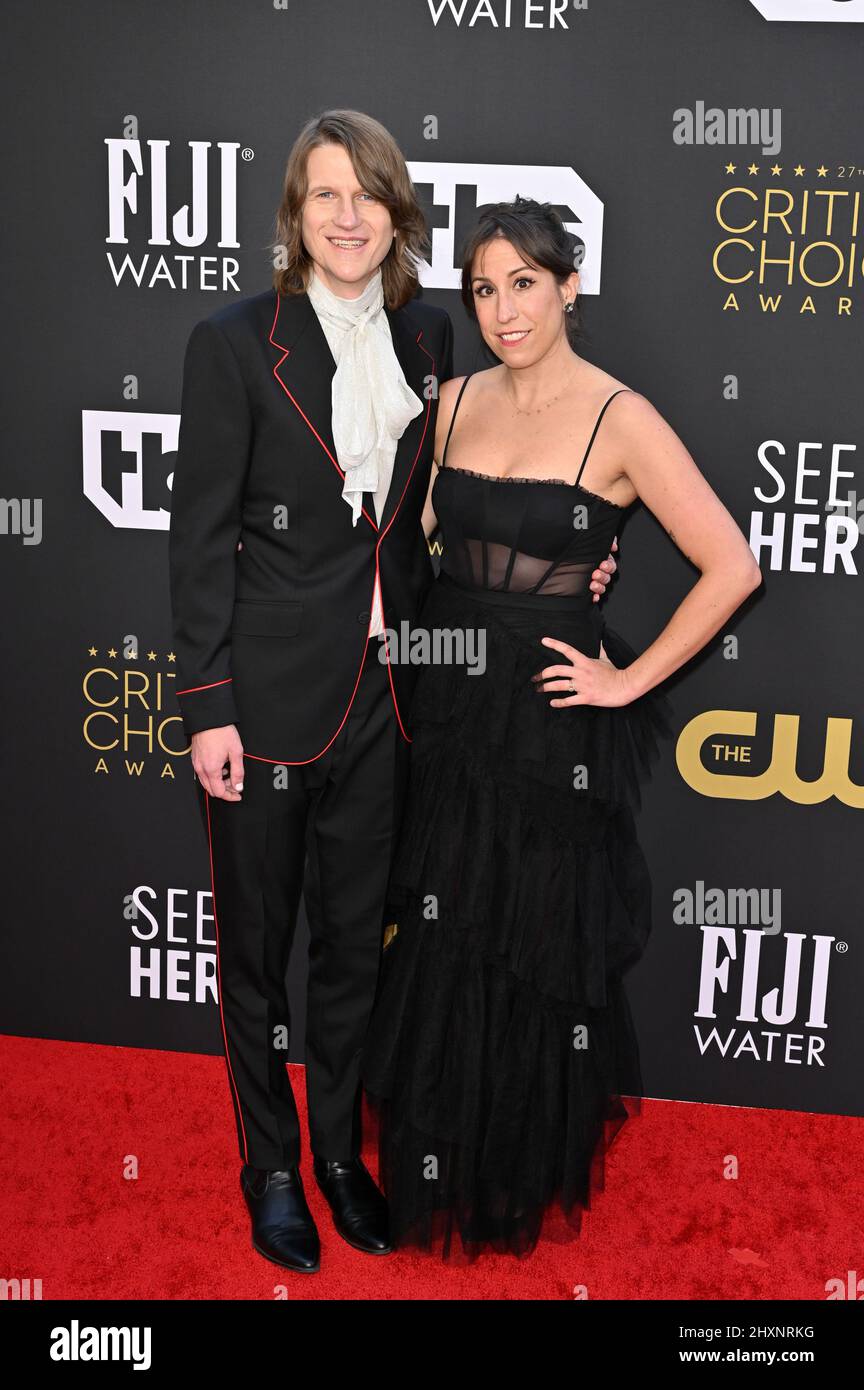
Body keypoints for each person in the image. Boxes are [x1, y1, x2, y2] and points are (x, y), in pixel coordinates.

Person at [169, 111, 620, 1274]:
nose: (347, 215)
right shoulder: (233, 343)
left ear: (395, 213)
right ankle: (269, 1167)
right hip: (265, 702)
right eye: (325, 195)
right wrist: (209, 705)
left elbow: (447, 500)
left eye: (366, 194)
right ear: (295, 214)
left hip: (394, 699)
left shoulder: (430, 339)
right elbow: (198, 538)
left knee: (355, 952)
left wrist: (580, 552)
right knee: (259, 949)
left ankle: (332, 1157)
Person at [360, 195, 763, 1260]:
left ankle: (511, 1167)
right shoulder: (448, 403)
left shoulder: (619, 416)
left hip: (545, 723)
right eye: (484, 289)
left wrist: (628, 685)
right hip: (443, 702)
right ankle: (430, 1152)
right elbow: (414, 546)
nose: (504, 310)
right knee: (437, 939)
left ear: (569, 285)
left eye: (524, 284)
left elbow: (733, 564)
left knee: (527, 948)